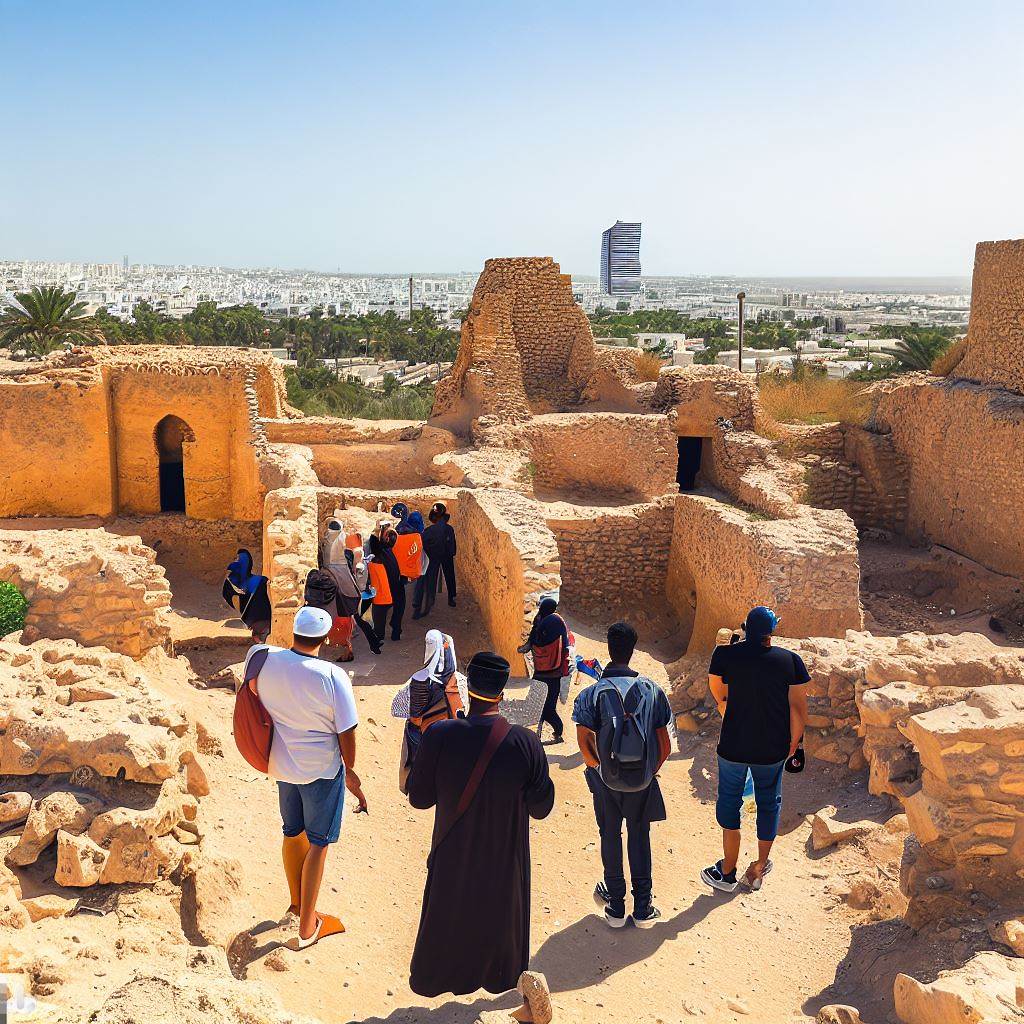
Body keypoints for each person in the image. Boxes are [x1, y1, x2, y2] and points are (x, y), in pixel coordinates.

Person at [407, 651, 554, 1008]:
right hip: (504, 860)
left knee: (450, 915)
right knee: (498, 918)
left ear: (468, 688)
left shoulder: (440, 734)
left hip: (453, 853)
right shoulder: (525, 743)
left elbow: (419, 799)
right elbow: (542, 807)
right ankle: (498, 977)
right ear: (502, 693)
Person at [242, 606, 365, 948]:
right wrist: (351, 770)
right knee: (319, 843)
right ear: (325, 638)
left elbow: (251, 687)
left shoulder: (265, 659)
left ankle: (296, 905)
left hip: (281, 764)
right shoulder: (331, 676)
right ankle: (308, 927)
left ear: (293, 631)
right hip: (321, 771)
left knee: (292, 832)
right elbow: (347, 731)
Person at [701, 605, 810, 893]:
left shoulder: (725, 654)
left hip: (734, 745)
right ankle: (759, 867)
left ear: (746, 629)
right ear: (771, 633)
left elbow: (718, 692)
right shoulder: (791, 661)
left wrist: (728, 706)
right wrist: (794, 745)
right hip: (772, 748)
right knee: (768, 803)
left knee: (729, 802)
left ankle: (726, 871)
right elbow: (799, 711)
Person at [573, 621, 672, 928]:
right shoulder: (652, 690)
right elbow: (665, 744)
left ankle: (616, 906)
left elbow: (583, 739)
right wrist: (648, 772)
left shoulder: (592, 693)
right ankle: (643, 908)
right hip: (642, 779)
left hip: (606, 780)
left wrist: (598, 768)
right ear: (633, 651)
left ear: (609, 648)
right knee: (639, 836)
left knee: (609, 835)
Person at [392, 629, 464, 790]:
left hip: (430, 739)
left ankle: (411, 783)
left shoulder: (421, 679)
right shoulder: (459, 680)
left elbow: (412, 717)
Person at [517, 596, 569, 744]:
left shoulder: (549, 621)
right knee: (545, 706)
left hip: (545, 671)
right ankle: (548, 733)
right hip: (551, 672)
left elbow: (536, 640)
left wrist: (531, 646)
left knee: (543, 707)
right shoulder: (554, 621)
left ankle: (553, 732)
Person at [413, 502, 457, 619]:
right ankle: (451, 598)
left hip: (433, 557)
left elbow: (423, 545)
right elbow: (452, 545)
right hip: (446, 556)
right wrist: (450, 554)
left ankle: (426, 604)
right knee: (449, 576)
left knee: (429, 580)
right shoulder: (449, 529)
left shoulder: (429, 531)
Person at [390, 504, 424, 640]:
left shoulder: (395, 533)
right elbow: (415, 554)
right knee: (400, 602)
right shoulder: (416, 536)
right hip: (402, 574)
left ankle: (389, 625)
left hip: (391, 571)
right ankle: (396, 629)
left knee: (391, 599)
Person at [223, 549, 272, 642]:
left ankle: (261, 637)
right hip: (261, 617)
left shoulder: (258, 580)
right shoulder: (260, 580)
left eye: (238, 558)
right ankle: (262, 637)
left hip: (256, 617)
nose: (237, 561)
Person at [365, 531, 395, 646]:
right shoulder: (383, 559)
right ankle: (379, 637)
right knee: (381, 620)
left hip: (380, 598)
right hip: (386, 596)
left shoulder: (373, 564)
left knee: (378, 620)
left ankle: (377, 640)